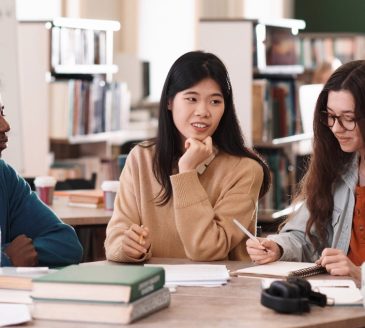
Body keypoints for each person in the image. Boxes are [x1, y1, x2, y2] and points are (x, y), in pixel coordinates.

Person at [105, 51, 270, 263]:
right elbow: (115, 239)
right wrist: (126, 246)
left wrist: (187, 173)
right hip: (155, 284)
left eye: (215, 101)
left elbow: (207, 249)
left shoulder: (245, 169)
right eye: (192, 98)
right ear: (169, 102)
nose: (203, 111)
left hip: (222, 292)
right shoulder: (141, 158)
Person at [246, 60, 365, 280]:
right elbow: (305, 236)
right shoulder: (336, 168)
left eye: (348, 118)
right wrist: (277, 247)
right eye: (330, 116)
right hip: (339, 296)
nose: (337, 128)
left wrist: (360, 274)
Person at [0, 94, 83, 267]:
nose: (6, 126)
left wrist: (16, 254)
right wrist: (6, 258)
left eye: (2, 113)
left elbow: (67, 244)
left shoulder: (4, 176)